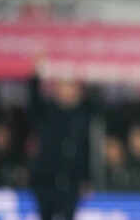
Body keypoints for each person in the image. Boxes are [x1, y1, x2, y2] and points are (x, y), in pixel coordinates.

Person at [28, 73, 92, 220]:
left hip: (72, 181)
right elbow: (33, 100)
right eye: (64, 85)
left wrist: (86, 177)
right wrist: (36, 72)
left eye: (71, 86)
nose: (67, 90)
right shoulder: (46, 111)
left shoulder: (84, 114)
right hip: (45, 180)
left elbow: (86, 150)